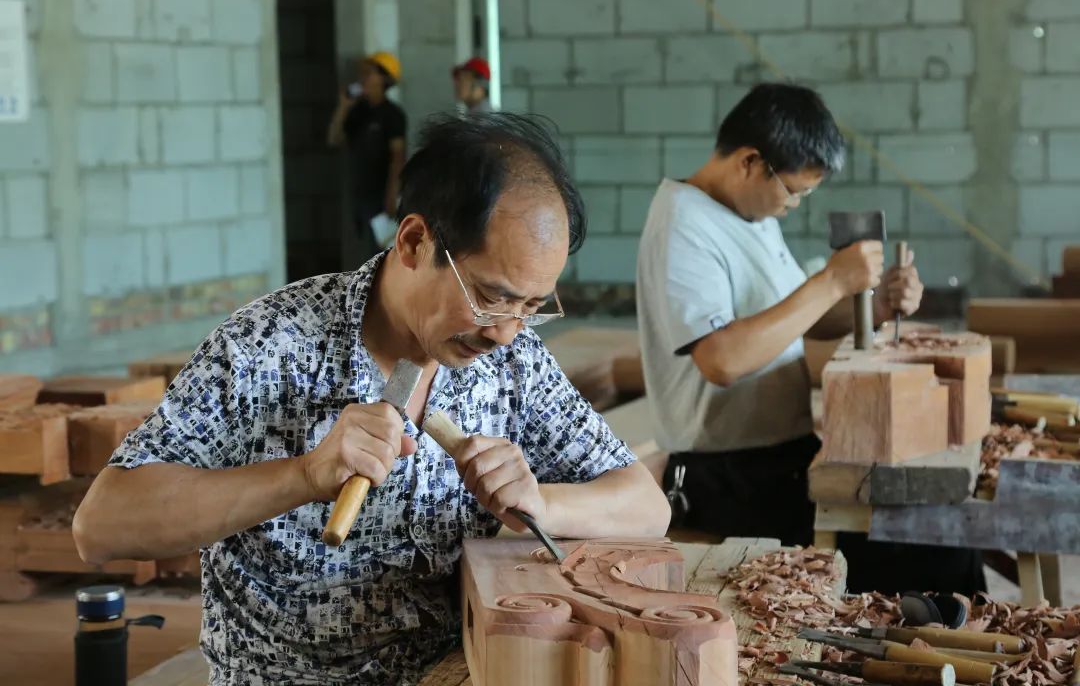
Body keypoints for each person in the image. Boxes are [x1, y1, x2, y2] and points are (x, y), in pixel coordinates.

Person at [74, 113, 670, 685]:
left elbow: (647, 507)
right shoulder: (268, 346)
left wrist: (539, 503)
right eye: (492, 296)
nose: (506, 331)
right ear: (414, 242)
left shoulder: (513, 361)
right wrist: (304, 475)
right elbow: (101, 527)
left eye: (532, 307)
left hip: (460, 668)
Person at [635, 82, 984, 596]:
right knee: (935, 555)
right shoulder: (683, 224)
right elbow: (722, 359)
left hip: (784, 458)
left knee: (941, 530)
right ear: (751, 161)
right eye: (793, 191)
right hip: (727, 475)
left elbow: (795, 320)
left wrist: (878, 302)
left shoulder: (750, 214)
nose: (794, 205)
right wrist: (831, 281)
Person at [327, 51, 407, 256]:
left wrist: (392, 194)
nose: (363, 78)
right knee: (363, 253)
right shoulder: (357, 111)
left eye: (369, 73)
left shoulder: (393, 115)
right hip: (359, 195)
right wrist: (343, 107)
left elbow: (398, 158)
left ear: (384, 79)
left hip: (380, 197)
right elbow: (334, 138)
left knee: (381, 254)